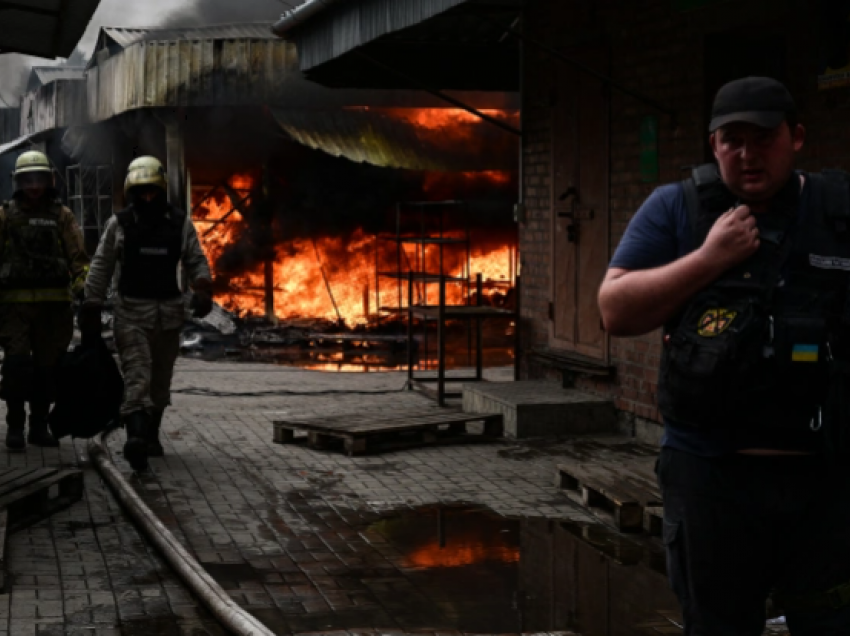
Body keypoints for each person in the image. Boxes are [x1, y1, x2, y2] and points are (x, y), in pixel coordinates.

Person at [598, 76, 850, 635]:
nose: (747, 153)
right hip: (711, 480)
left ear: (797, 137)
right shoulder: (680, 208)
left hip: (824, 483)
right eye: (731, 139)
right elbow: (614, 310)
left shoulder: (838, 213)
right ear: (713, 145)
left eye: (762, 138)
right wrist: (710, 258)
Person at [80, 156, 212, 471]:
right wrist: (92, 302)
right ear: (131, 192)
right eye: (142, 192)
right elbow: (101, 264)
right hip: (131, 314)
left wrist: (203, 287)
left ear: (162, 190)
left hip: (169, 315)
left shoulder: (179, 223)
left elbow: (195, 258)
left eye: (153, 191)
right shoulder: (120, 224)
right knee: (137, 375)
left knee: (160, 382)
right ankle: (135, 438)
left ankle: (151, 434)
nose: (148, 198)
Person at [0, 150, 89, 450]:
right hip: (15, 307)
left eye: (39, 179)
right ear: (18, 182)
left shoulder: (62, 216)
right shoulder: (5, 215)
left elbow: (77, 256)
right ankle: (15, 426)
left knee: (46, 369)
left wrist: (84, 286)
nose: (34, 186)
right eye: (28, 180)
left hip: (54, 307)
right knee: (16, 366)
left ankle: (39, 426)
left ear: (49, 181)